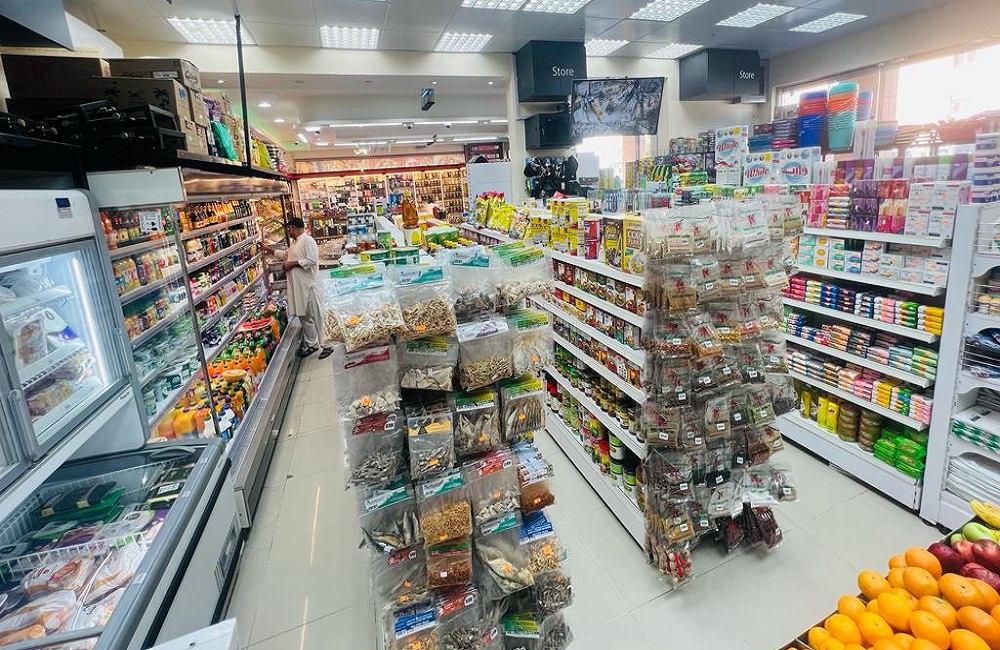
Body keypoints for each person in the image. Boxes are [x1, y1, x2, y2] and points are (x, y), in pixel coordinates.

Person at [265, 218, 330, 358]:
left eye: (289, 229)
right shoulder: (295, 244)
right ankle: (312, 343)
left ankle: (325, 343)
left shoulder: (308, 241)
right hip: (298, 287)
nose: (289, 232)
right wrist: (269, 250)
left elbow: (312, 260)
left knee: (315, 314)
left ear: (294, 228)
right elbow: (284, 254)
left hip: (308, 285)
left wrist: (293, 263)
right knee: (304, 316)